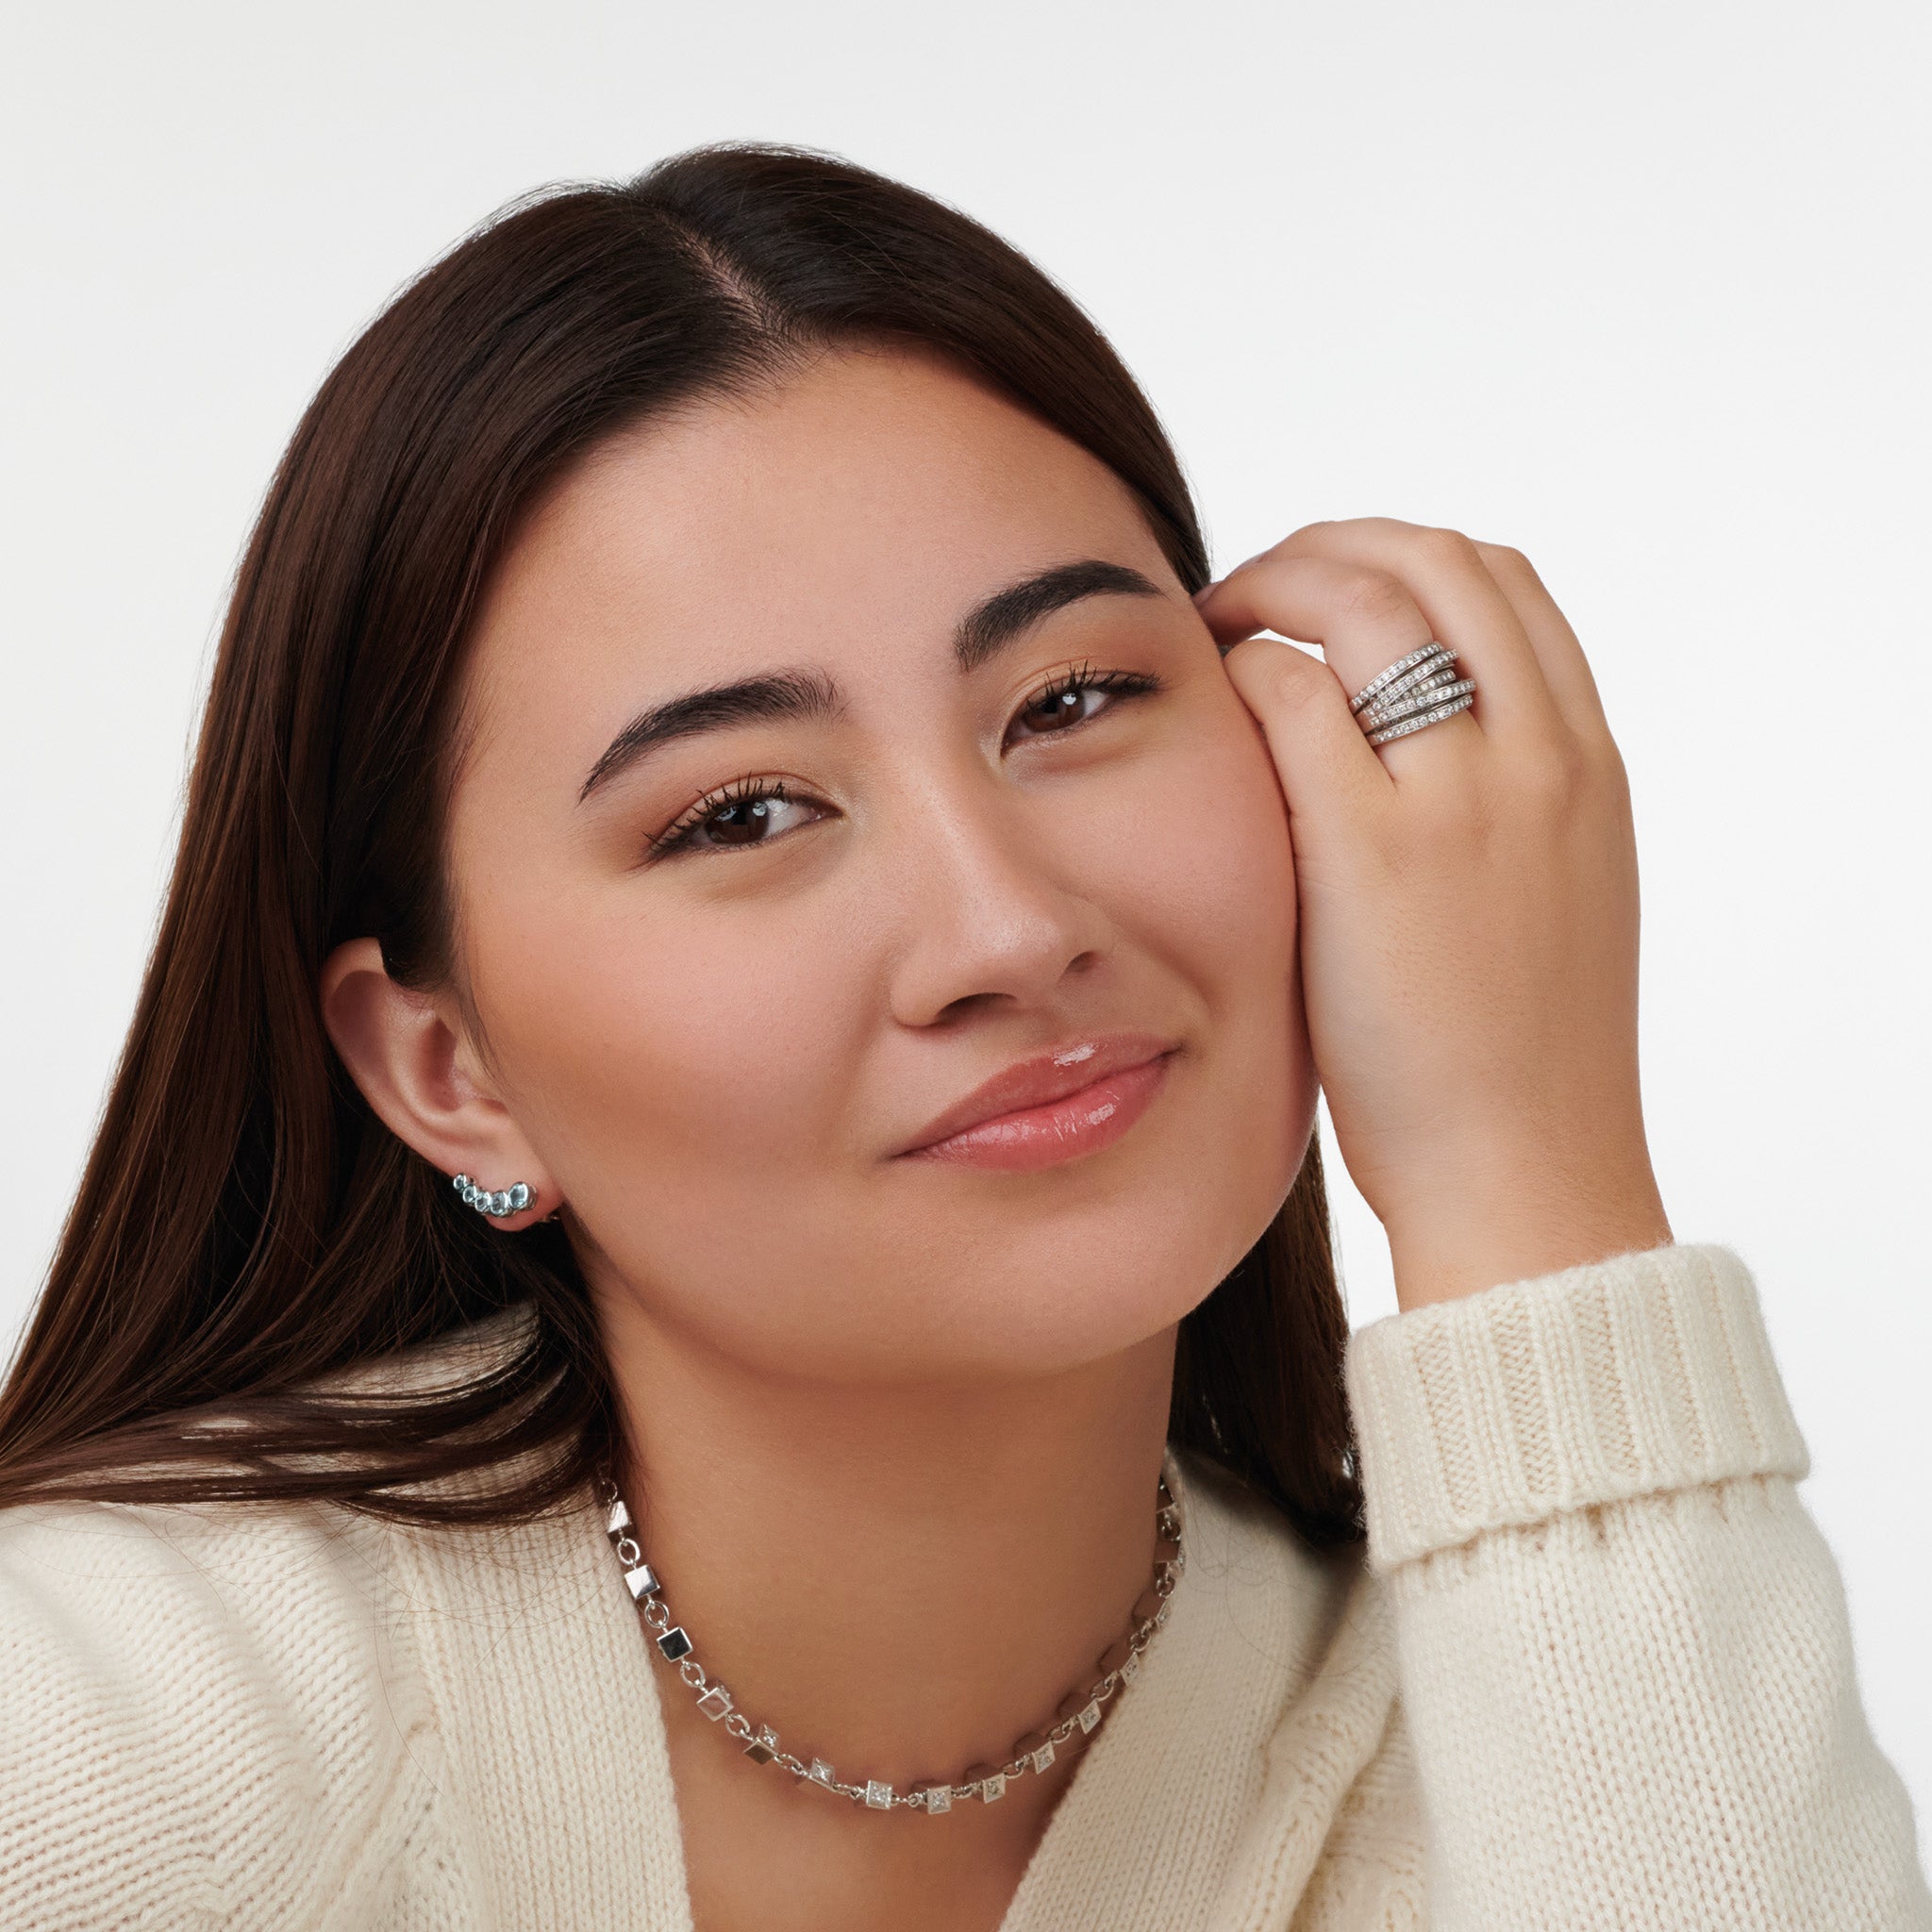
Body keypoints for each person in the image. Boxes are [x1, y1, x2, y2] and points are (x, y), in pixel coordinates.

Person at [0, 142, 1924, 1932]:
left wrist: (1525, 1170)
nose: (1009, 926)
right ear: (446, 1069)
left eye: (1073, 697)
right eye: (742, 812)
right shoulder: (124, 1735)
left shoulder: (1549, 1746)